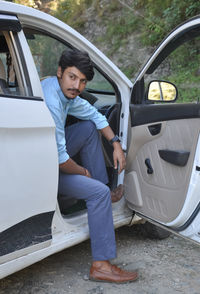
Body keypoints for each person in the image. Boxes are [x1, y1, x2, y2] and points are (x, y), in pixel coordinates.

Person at [41, 48, 138, 283]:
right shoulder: (53, 102)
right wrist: (83, 172)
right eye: (72, 77)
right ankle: (101, 265)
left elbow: (93, 114)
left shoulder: (61, 92)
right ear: (60, 72)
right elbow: (61, 160)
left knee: (86, 128)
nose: (77, 85)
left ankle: (100, 189)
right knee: (98, 193)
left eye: (82, 81)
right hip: (44, 168)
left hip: (47, 155)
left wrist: (115, 143)